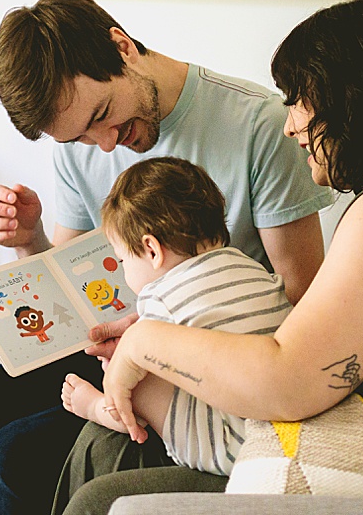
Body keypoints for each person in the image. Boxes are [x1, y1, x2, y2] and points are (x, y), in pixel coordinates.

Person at [58, 0, 363, 515]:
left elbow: (285, 383)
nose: (290, 126)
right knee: (109, 446)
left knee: (102, 494)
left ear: (353, 102)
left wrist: (145, 342)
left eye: (298, 100)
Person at [0, 0, 333, 515]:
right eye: (81, 138)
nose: (106, 145)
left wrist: (154, 342)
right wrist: (28, 241)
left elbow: (302, 296)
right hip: (105, 348)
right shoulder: (83, 146)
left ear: (122, 47)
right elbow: (69, 290)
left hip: (202, 372)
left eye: (104, 115)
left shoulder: (258, 124)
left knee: (13, 456)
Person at [60, 156, 290, 479]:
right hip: (284, 426)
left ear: (152, 251)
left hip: (231, 447)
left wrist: (118, 372)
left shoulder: (161, 297)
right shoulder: (250, 267)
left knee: (134, 379)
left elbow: (148, 356)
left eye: (122, 259)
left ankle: (99, 409)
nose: (124, 271)